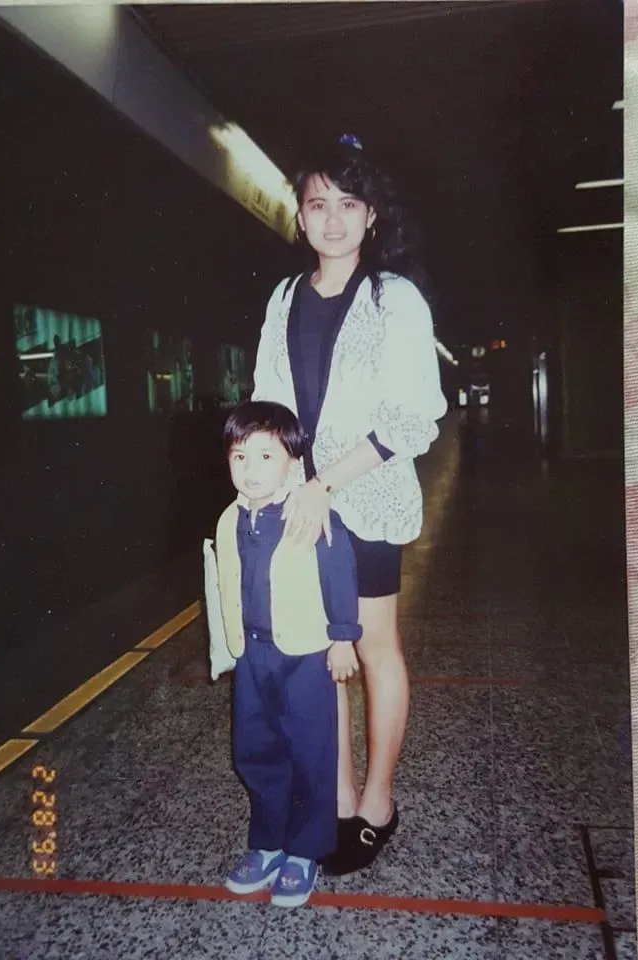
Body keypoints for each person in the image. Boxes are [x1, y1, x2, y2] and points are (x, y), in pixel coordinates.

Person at [251, 138, 447, 875]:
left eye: (348, 205)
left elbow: (414, 416)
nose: (332, 220)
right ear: (300, 217)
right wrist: (270, 481)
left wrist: (323, 481)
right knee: (322, 659)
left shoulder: (393, 298)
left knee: (372, 649)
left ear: (370, 218)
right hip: (303, 507)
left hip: (364, 500)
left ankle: (378, 801)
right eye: (318, 204)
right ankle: (333, 800)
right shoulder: (283, 298)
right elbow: (270, 402)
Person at [215, 400, 362, 907]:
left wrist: (343, 637)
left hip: (304, 655)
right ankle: (268, 842)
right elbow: (225, 584)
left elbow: (339, 571)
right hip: (253, 656)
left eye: (264, 456)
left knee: (310, 752)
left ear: (294, 462)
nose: (250, 471)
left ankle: (305, 850)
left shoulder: (308, 513)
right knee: (255, 751)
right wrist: (227, 645)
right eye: (239, 457)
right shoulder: (230, 519)